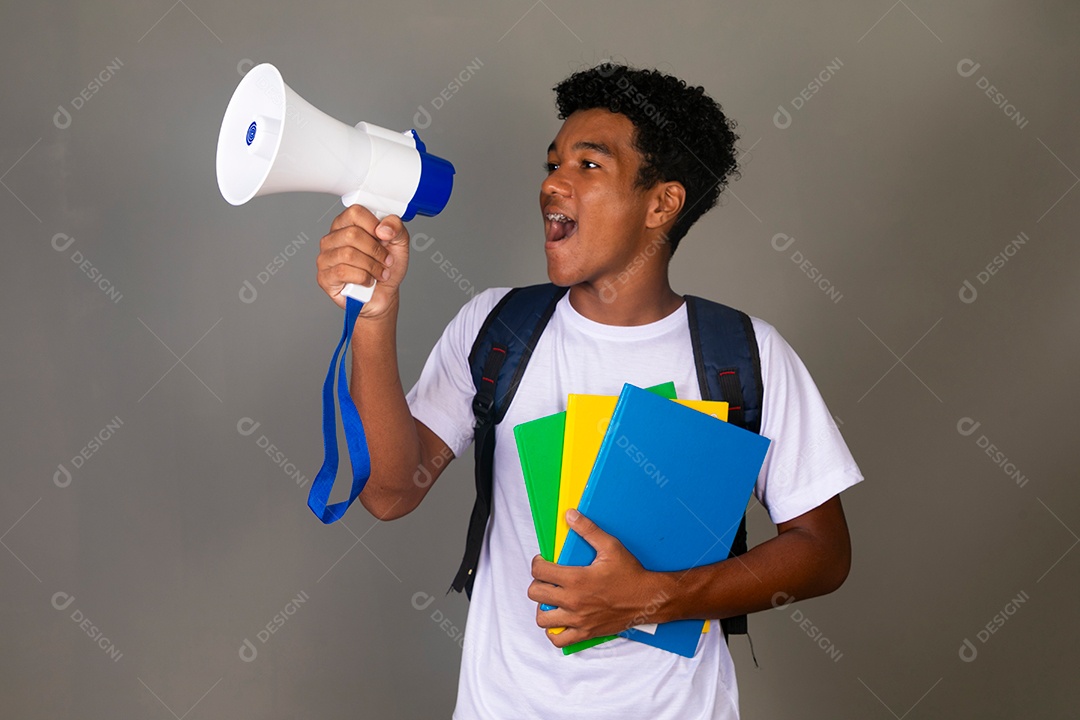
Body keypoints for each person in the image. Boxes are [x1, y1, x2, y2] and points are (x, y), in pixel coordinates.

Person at [315, 63, 862, 719]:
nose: (552, 183)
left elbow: (823, 554)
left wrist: (654, 597)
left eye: (589, 165)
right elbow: (388, 491)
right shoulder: (498, 328)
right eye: (553, 163)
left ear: (661, 203)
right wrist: (375, 316)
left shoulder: (743, 355)